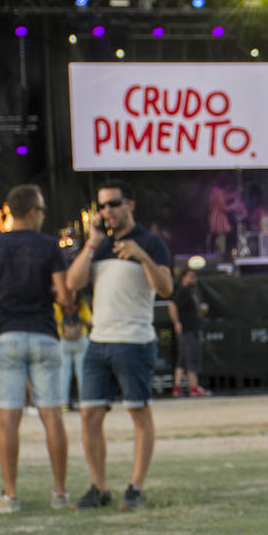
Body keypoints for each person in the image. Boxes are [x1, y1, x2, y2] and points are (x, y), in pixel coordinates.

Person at [65, 180, 172, 512]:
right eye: (102, 206)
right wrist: (91, 245)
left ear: (130, 205)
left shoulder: (151, 243)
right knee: (89, 416)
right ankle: (99, 488)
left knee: (138, 413)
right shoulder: (99, 245)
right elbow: (73, 283)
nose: (107, 211)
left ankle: (135, 487)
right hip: (98, 342)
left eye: (113, 204)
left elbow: (166, 288)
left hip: (134, 341)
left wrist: (141, 256)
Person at [0, 184, 73, 512]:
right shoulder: (50, 246)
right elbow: (65, 295)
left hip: (7, 334)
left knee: (8, 418)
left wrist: (1, 295)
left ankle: (10, 495)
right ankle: (59, 493)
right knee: (52, 415)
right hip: (43, 332)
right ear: (32, 211)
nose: (43, 216)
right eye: (41, 210)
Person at [169, 268, 210, 397]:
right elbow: (172, 305)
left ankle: (177, 388)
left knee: (183, 359)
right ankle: (193, 387)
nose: (194, 279)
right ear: (183, 278)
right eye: (191, 276)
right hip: (189, 330)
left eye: (195, 277)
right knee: (192, 357)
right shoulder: (183, 291)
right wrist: (177, 323)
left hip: (190, 329)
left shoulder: (190, 292)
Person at [56, 291, 91, 409]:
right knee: (82, 372)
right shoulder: (81, 303)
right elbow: (90, 319)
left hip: (63, 340)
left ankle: (63, 403)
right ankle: (84, 402)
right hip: (81, 338)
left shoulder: (58, 304)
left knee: (63, 372)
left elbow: (54, 320)